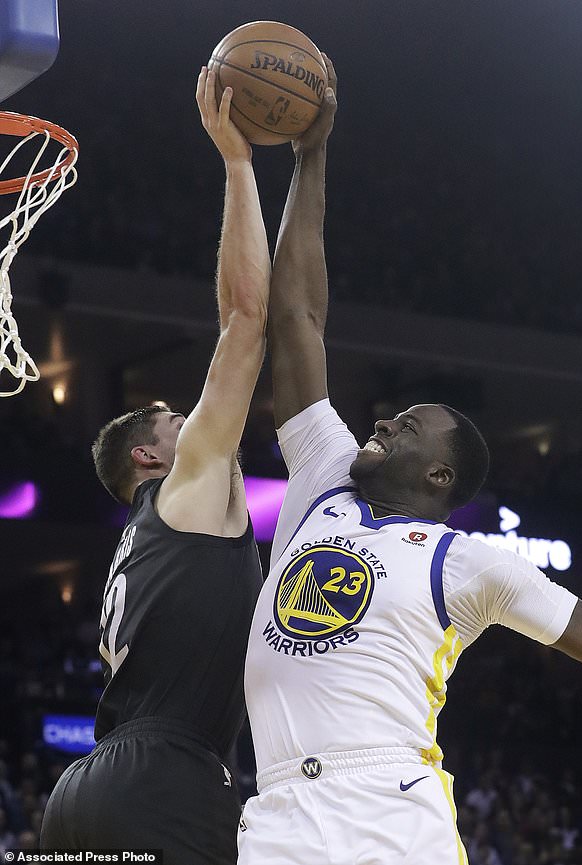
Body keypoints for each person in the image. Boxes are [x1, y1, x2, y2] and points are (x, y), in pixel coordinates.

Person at [238, 55, 582, 865]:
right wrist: (311, 155)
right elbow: (299, 315)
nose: (383, 418)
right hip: (276, 809)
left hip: (389, 810)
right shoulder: (323, 479)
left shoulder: (472, 564)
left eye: (410, 425)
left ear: (440, 476)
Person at [41, 66, 269, 865]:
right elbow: (246, 319)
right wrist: (238, 163)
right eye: (177, 418)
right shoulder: (185, 491)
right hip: (164, 781)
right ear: (149, 454)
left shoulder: (136, 549)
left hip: (83, 792)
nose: (195, 418)